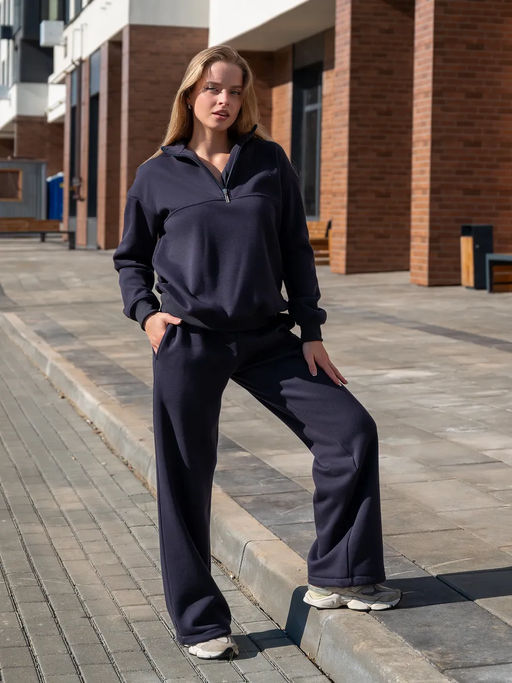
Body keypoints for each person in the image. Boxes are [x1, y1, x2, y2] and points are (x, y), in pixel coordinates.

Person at [113, 44, 401, 661]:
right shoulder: (157, 174)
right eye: (213, 88)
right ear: (190, 94)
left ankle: (342, 574)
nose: (224, 100)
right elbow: (130, 257)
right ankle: (200, 621)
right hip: (190, 339)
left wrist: (311, 330)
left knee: (350, 432)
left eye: (236, 90)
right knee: (185, 477)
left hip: (268, 336)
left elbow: (296, 249)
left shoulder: (269, 162)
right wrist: (147, 314)